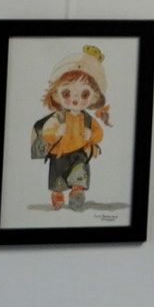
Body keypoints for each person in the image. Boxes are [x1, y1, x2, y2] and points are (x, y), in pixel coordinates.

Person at [32, 45, 111, 211]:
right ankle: (58, 195)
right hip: (59, 154)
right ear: (56, 94)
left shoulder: (87, 119)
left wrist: (92, 136)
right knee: (58, 179)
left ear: (94, 97)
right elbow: (47, 132)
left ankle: (77, 193)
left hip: (79, 153)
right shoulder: (58, 117)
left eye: (84, 94)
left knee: (80, 172)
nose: (75, 99)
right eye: (67, 93)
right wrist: (55, 133)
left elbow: (99, 133)